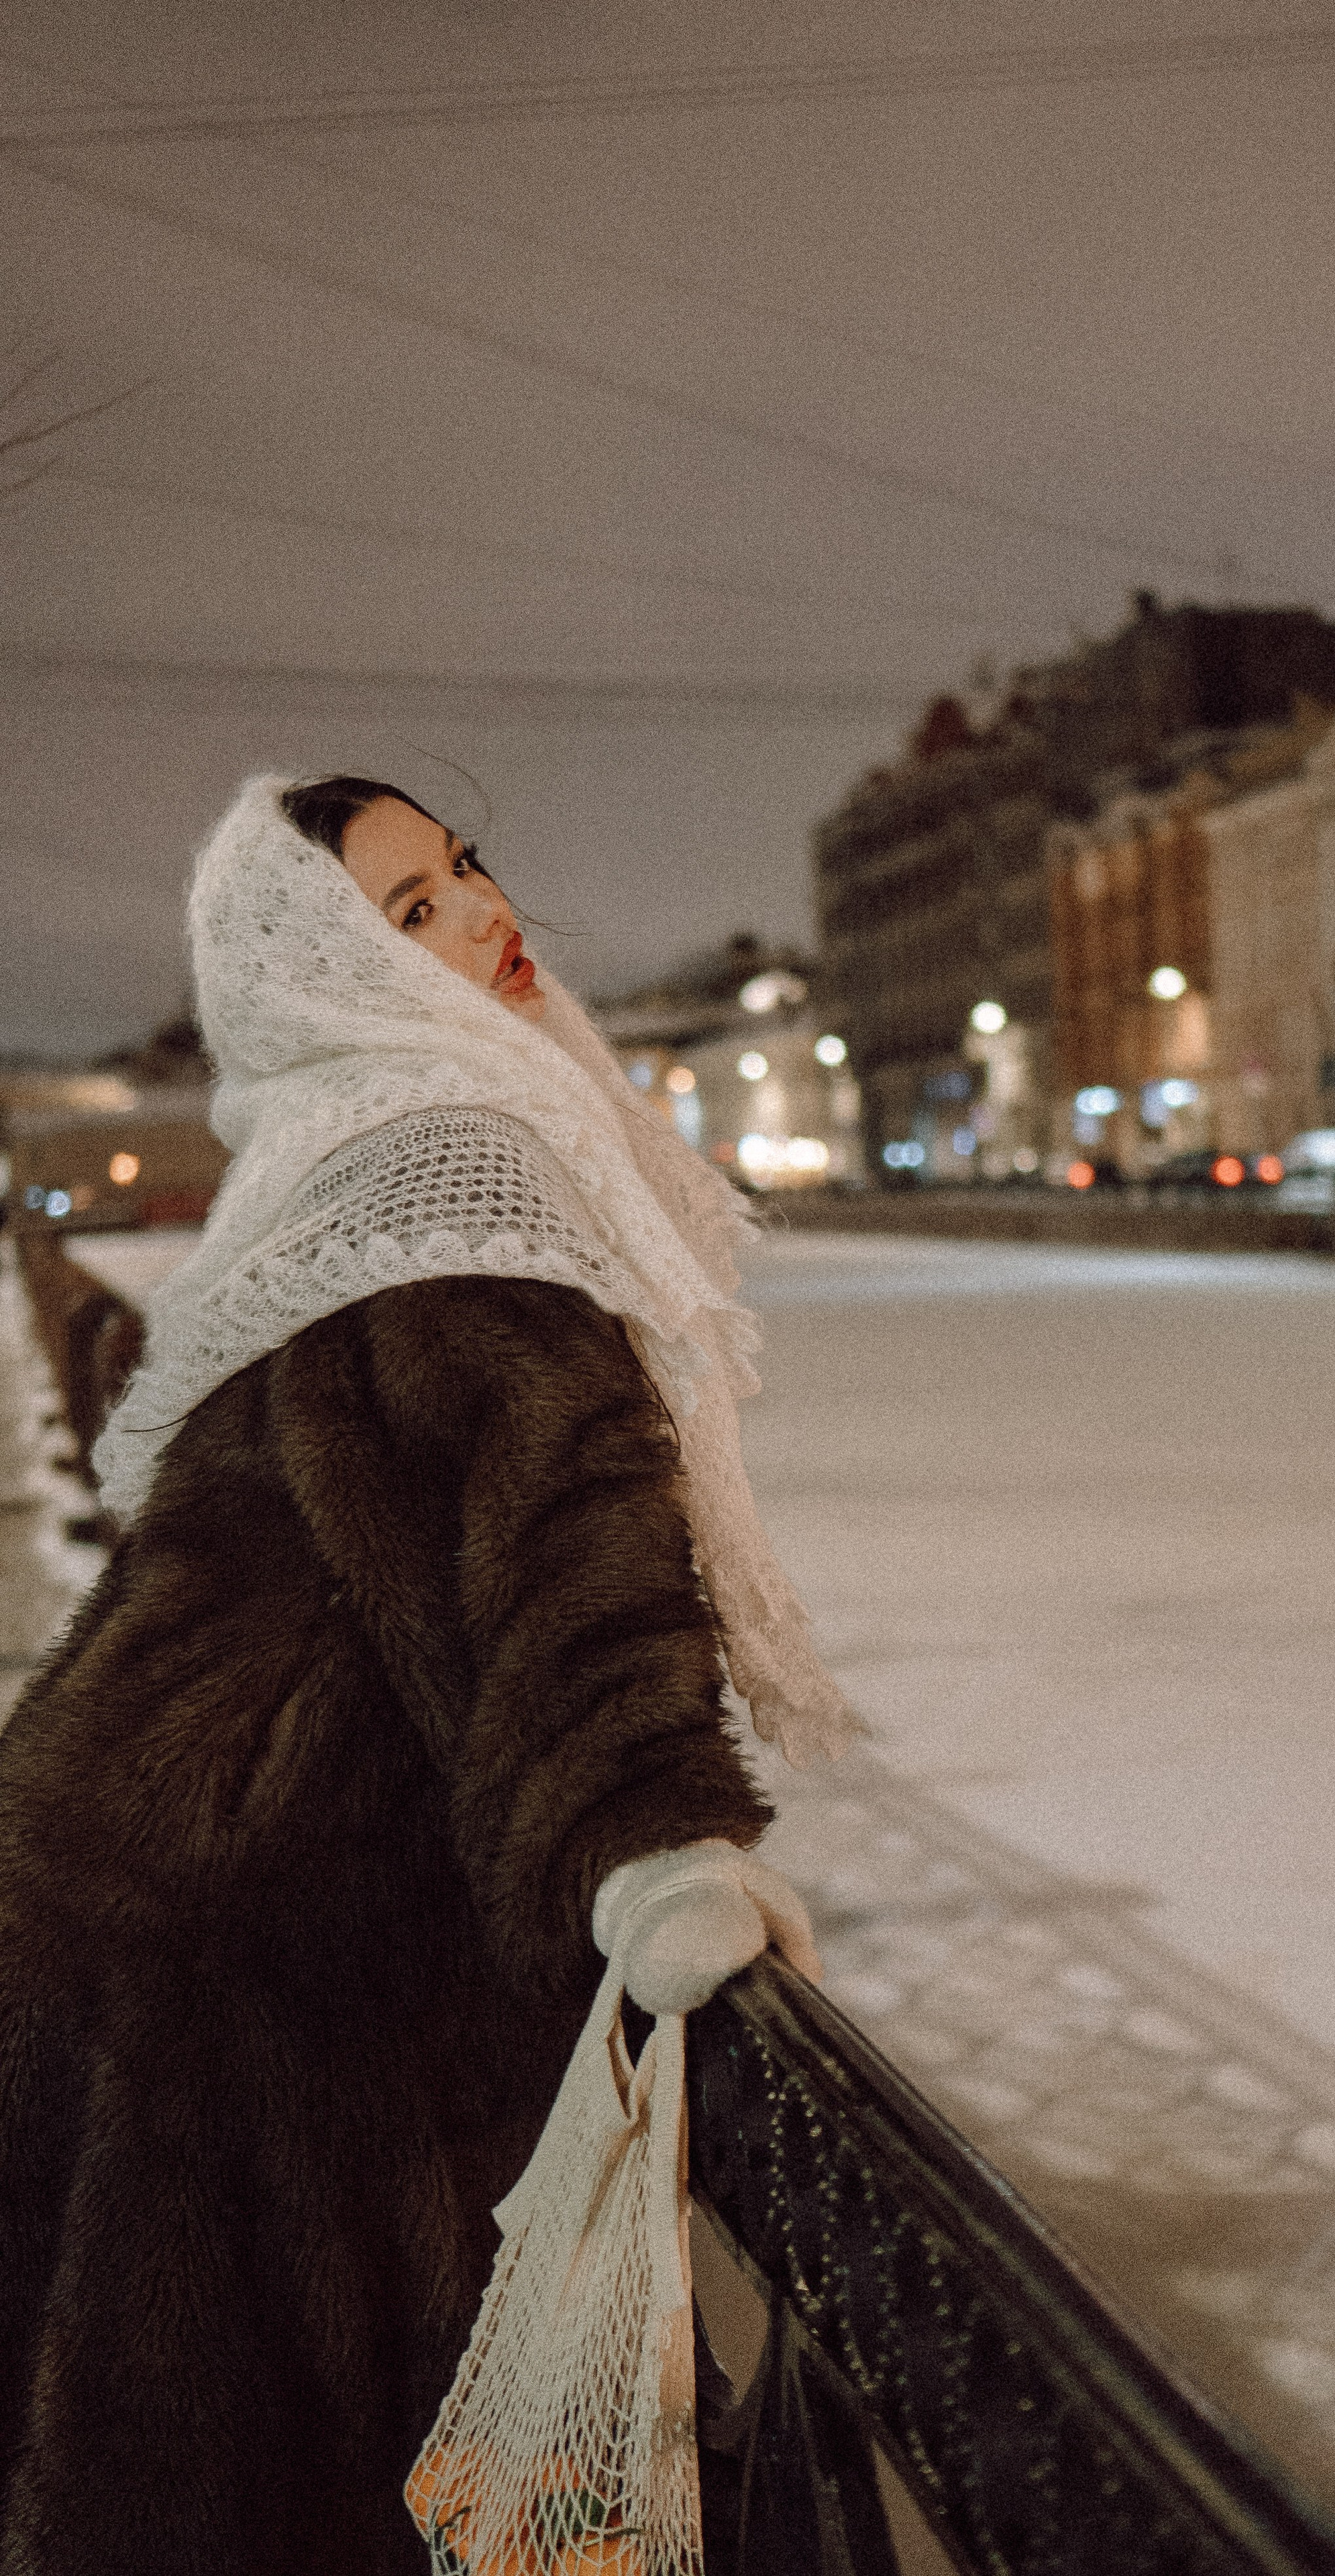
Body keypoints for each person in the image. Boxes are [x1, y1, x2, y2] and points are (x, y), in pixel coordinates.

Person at [0, 774, 854, 2573]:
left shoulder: (331, 1168)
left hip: (117, 1879)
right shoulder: (468, 1165)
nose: (479, 913)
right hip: (266, 1973)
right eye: (406, 914)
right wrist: (655, 1829)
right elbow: (561, 1521)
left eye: (461, 865)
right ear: (333, 986)